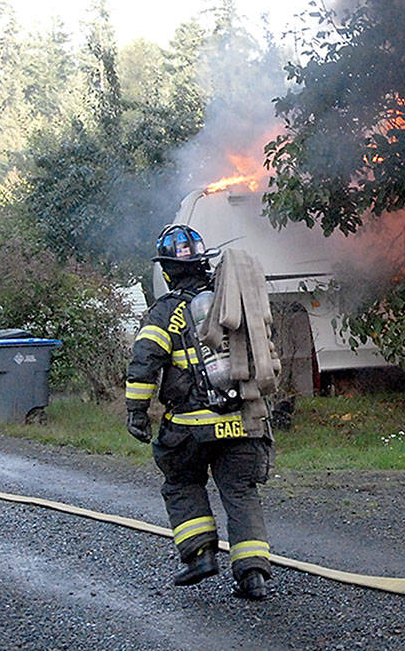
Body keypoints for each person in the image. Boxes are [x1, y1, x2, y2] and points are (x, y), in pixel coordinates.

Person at [125, 224, 274, 600]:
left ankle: (199, 556)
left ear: (168, 269)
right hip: (242, 420)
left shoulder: (163, 312)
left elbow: (144, 363)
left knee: (181, 482)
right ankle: (253, 574)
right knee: (240, 492)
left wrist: (136, 413)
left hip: (190, 427)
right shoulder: (232, 300)